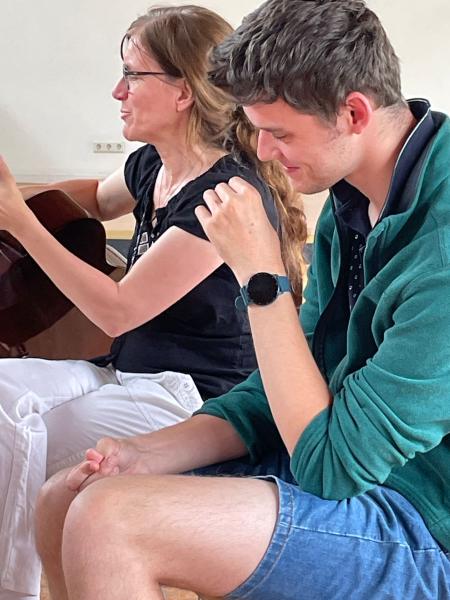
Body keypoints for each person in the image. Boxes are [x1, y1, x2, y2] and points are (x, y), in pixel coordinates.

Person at [35, 0, 450, 598]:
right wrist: (146, 453)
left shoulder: (439, 248)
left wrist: (262, 278)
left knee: (111, 521)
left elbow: (333, 466)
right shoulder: (353, 202)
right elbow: (287, 385)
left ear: (354, 112)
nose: (262, 150)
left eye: (279, 133)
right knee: (65, 495)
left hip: (422, 517)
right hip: (336, 468)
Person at [0, 5, 305, 600]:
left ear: (183, 92)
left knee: (30, 434)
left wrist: (20, 221)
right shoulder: (153, 165)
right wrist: (19, 198)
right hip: (127, 373)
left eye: (131, 75)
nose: (118, 92)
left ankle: (17, 589)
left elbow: (119, 310)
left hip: (193, 397)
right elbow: (95, 197)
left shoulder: (224, 196)